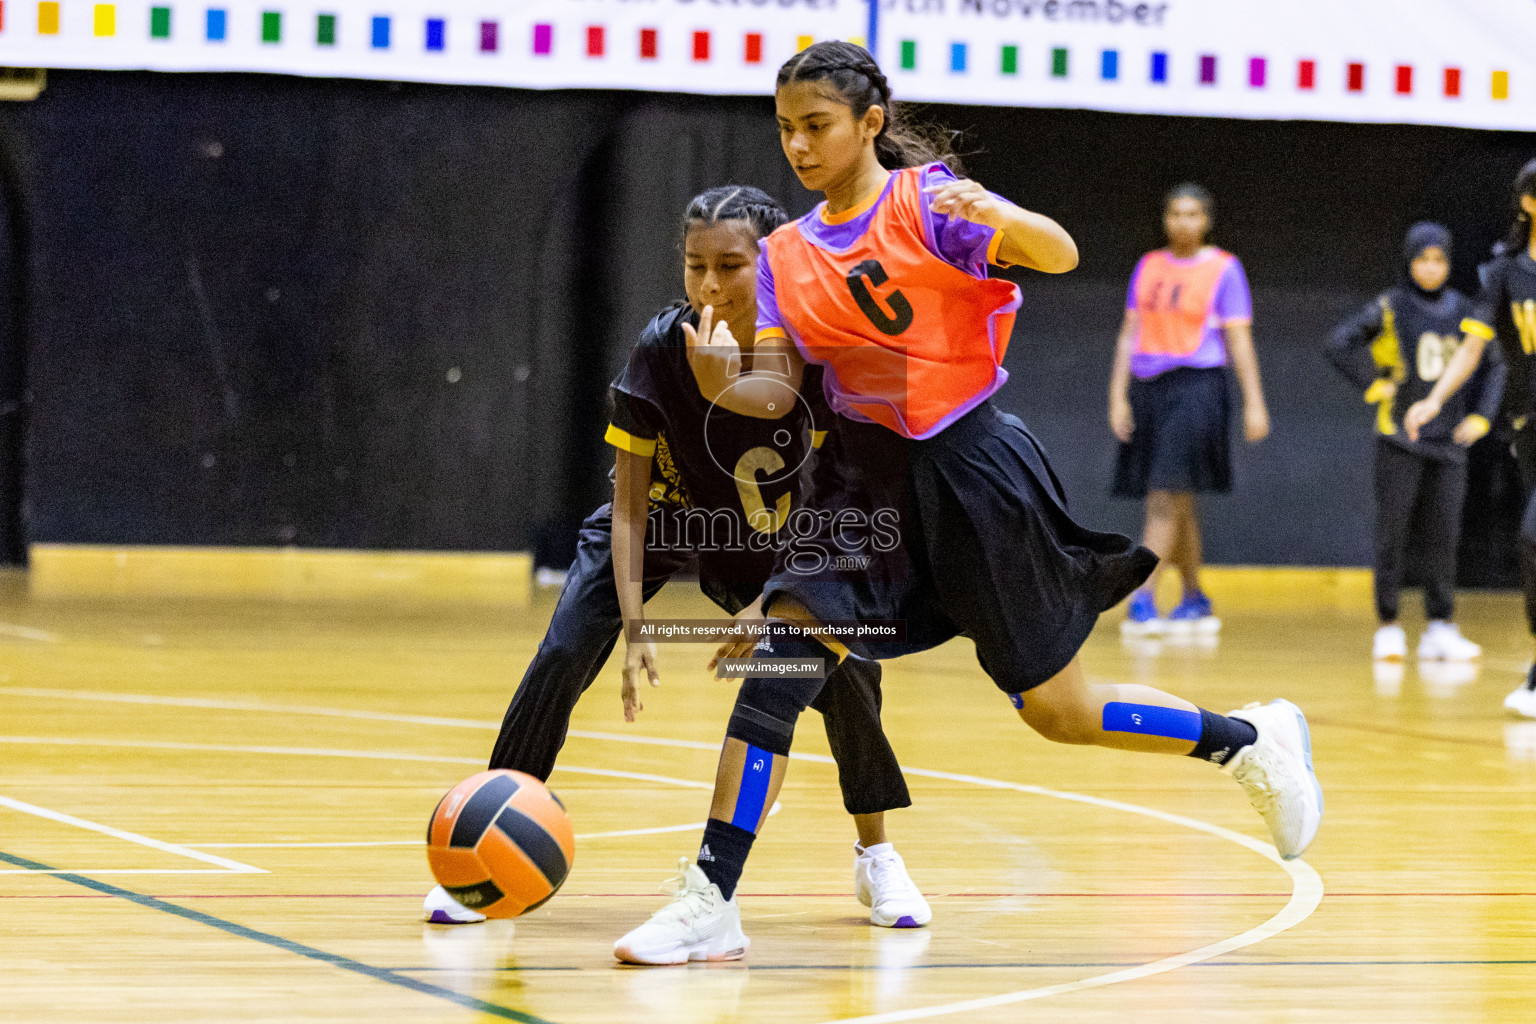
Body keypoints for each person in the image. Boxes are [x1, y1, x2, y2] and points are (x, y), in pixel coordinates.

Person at [612, 41, 1323, 967]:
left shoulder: (928, 203)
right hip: (862, 485)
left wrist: (1001, 213)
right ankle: (710, 898)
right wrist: (729, 379)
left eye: (816, 126)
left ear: (870, 124)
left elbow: (1059, 253)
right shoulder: (784, 252)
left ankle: (1247, 741)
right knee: (778, 666)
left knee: (1056, 709)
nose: (797, 145)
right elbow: (783, 388)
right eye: (785, 129)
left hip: (974, 471)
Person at [423, 186, 930, 929]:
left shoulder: (817, 359)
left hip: (770, 542)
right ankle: (492, 834)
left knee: (848, 673)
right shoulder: (662, 347)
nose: (710, 286)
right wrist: (631, 627)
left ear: (774, 265)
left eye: (731, 265)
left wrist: (774, 600)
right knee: (564, 651)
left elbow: (836, 505)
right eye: (696, 266)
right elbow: (628, 507)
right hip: (659, 522)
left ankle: (876, 853)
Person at [1325, 222, 1503, 663]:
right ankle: (1388, 624)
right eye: (1422, 259)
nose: (1430, 268)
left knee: (1444, 535)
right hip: (1398, 437)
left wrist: (1481, 417)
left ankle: (1440, 625)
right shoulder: (1391, 305)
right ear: (1409, 262)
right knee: (1394, 531)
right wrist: (1374, 384)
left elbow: (1496, 364)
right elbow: (1338, 343)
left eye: (1439, 259)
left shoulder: (1465, 308)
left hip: (1449, 441)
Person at [1405, 160, 1536, 717]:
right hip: (1532, 426)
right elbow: (1473, 348)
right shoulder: (1507, 272)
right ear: (1528, 202)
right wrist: (1434, 398)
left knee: (1534, 538)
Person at [1109, 184, 1269, 637]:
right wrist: (1118, 395)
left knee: (1164, 495)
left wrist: (1254, 403)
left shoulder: (1224, 269)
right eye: (1176, 213)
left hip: (1198, 388)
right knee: (1180, 502)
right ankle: (1196, 598)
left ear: (1207, 220)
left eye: (1193, 213)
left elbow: (1239, 338)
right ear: (1165, 219)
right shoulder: (1149, 265)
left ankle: (1142, 597)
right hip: (1150, 389)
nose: (1184, 222)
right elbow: (1129, 334)